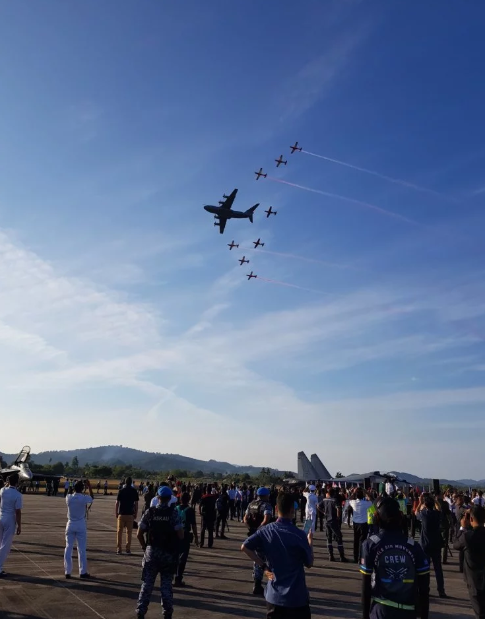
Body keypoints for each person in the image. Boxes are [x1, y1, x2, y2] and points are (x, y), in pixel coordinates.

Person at [242, 492, 313, 619]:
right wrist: (310, 542)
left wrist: (263, 566)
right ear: (293, 510)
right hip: (296, 598)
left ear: (276, 508)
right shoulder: (299, 534)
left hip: (274, 597)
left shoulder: (266, 530)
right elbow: (309, 563)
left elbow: (245, 547)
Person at [361, 497, 430, 619]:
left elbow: (366, 588)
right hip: (408, 612)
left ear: (376, 517)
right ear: (400, 516)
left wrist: (365, 616)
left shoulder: (370, 544)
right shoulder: (414, 546)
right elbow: (424, 590)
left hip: (381, 611)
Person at [136, 486, 184, 619]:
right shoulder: (173, 513)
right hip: (168, 554)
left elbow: (139, 534)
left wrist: (145, 547)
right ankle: (167, 612)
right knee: (166, 585)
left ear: (158, 498)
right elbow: (180, 535)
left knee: (147, 584)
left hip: (151, 553)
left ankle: (141, 610)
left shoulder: (150, 513)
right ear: (169, 499)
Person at [453, 505, 485, 618]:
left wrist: (462, 528)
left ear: (471, 519)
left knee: (480, 613)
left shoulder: (468, 537)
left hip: (474, 582)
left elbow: (456, 544)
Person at [416, 493, 447, 598]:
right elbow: (439, 509)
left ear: (425, 504)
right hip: (436, 544)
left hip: (425, 544)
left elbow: (416, 512)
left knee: (425, 568)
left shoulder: (423, 514)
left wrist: (420, 502)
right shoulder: (436, 514)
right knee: (438, 568)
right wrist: (435, 500)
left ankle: (425, 589)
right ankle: (441, 590)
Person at [244, 487, 273, 595]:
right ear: (266, 495)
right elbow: (267, 519)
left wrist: (251, 530)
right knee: (267, 559)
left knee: (256, 559)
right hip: (264, 536)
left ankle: (257, 583)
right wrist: (259, 530)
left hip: (253, 535)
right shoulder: (266, 505)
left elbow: (245, 519)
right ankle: (265, 584)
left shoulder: (251, 504)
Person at [64, 478, 94, 579]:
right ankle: (82, 571)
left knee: (68, 548)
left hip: (70, 524)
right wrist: (89, 486)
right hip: (80, 524)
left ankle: (67, 571)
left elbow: (69, 492)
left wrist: (73, 485)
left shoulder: (69, 497)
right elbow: (92, 498)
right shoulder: (84, 498)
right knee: (81, 549)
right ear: (82, 488)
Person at [0, 473, 22, 578]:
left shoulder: (2, 490)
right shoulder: (18, 494)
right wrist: (19, 525)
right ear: (17, 482)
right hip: (9, 518)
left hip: (1, 516)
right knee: (5, 545)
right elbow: (18, 512)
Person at [174, 491, 199, 586]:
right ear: (188, 499)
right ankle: (178, 578)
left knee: (175, 556)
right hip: (185, 534)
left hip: (175, 534)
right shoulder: (190, 510)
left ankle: (173, 577)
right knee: (183, 557)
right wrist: (196, 537)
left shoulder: (175, 509)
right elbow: (194, 525)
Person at [317, 488, 348, 562]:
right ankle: (341, 556)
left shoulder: (324, 500)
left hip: (327, 520)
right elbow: (338, 509)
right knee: (339, 537)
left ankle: (331, 556)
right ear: (333, 493)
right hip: (333, 520)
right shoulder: (335, 500)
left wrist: (324, 512)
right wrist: (338, 516)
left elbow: (318, 506)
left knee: (329, 538)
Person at [345, 488, 372, 563]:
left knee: (356, 540)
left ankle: (355, 557)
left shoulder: (353, 502)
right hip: (364, 523)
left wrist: (353, 492)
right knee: (362, 541)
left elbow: (348, 499)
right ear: (363, 495)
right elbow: (371, 498)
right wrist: (365, 491)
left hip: (355, 523)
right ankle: (361, 557)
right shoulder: (367, 503)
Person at [115, 475, 139, 555]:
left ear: (125, 482)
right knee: (129, 532)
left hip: (121, 514)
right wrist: (135, 513)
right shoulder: (134, 491)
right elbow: (136, 504)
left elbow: (117, 503)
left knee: (119, 532)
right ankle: (128, 549)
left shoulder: (121, 491)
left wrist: (116, 512)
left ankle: (119, 549)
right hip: (130, 514)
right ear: (131, 482)